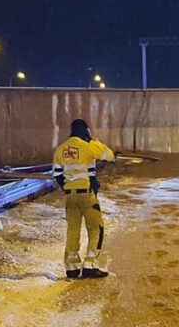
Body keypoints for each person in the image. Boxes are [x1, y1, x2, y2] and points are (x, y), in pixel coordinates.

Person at [52, 119, 115, 279]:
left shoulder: (60, 149)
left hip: (70, 196)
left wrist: (68, 188)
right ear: (86, 131)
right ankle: (90, 264)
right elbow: (109, 155)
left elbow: (57, 174)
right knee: (96, 228)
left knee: (73, 230)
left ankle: (72, 268)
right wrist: (94, 141)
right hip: (87, 195)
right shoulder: (88, 145)